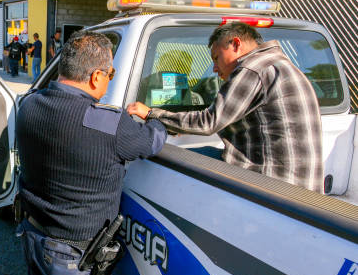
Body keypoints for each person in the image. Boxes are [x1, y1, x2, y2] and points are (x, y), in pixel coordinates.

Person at [16, 30, 167, 275]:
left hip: (33, 233)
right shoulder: (109, 124)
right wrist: (152, 116)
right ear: (97, 76)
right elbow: (152, 140)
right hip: (73, 252)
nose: (110, 80)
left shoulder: (28, 104)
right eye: (110, 74)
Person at [128, 21, 323, 192]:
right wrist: (178, 125)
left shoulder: (252, 69)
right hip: (301, 184)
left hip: (274, 181)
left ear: (235, 44)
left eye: (216, 58)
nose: (214, 68)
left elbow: (208, 123)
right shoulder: (277, 63)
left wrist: (151, 113)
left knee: (171, 159)